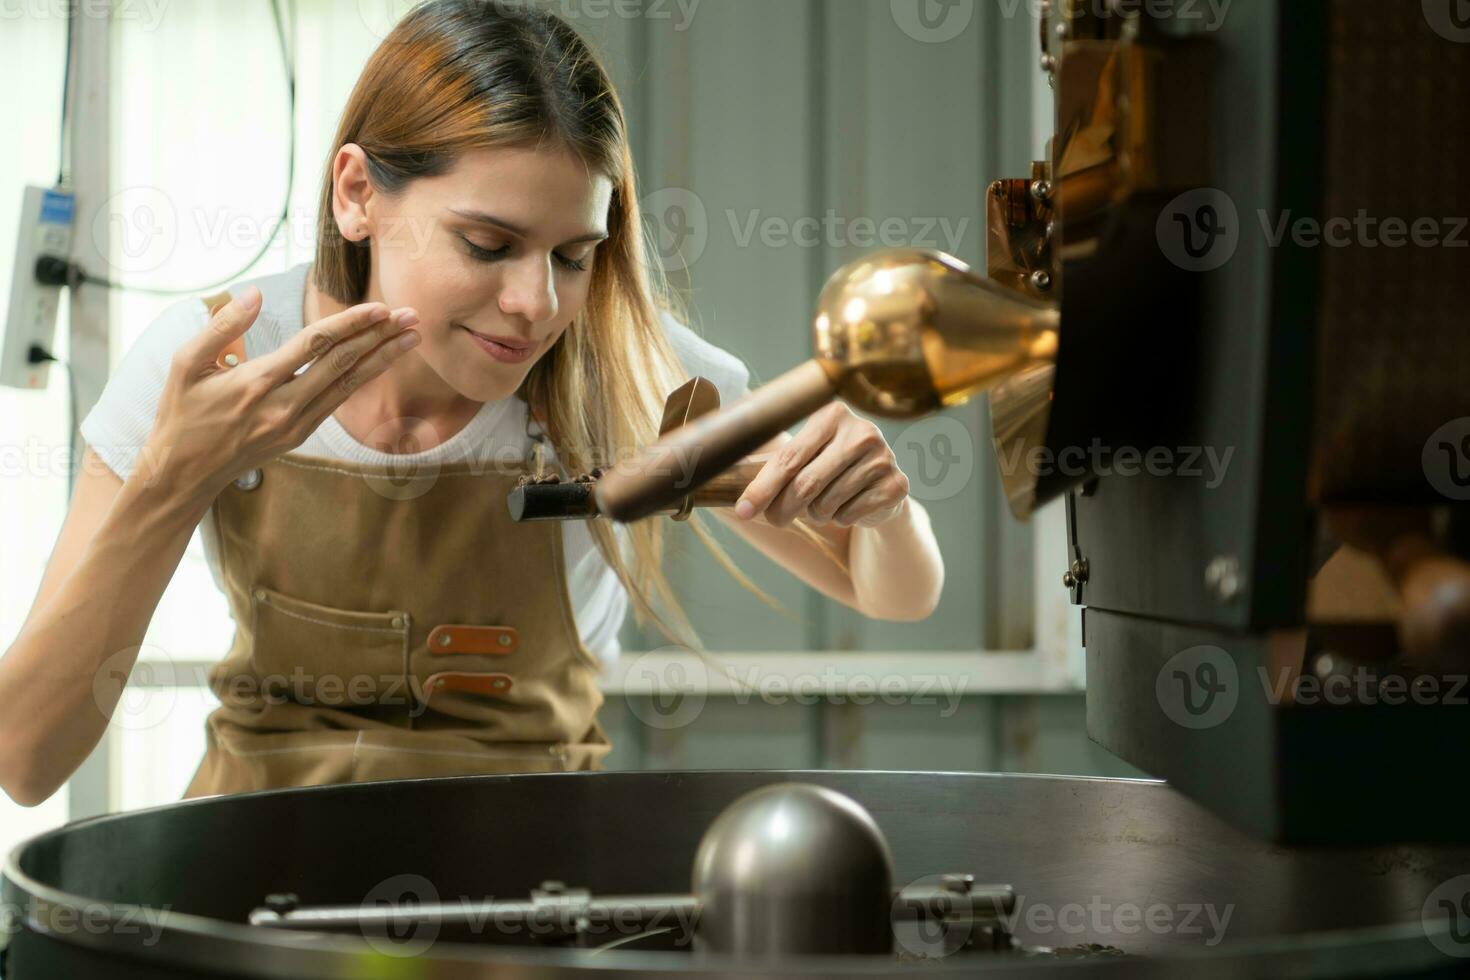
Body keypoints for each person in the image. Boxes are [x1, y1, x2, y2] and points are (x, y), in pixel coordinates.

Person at [0, 0, 944, 806]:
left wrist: (886, 507)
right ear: (359, 194)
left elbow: (889, 591)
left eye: (574, 257)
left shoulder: (628, 379)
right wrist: (173, 477)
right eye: (488, 245)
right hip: (252, 883)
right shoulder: (212, 365)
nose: (536, 305)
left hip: (526, 892)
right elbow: (26, 760)